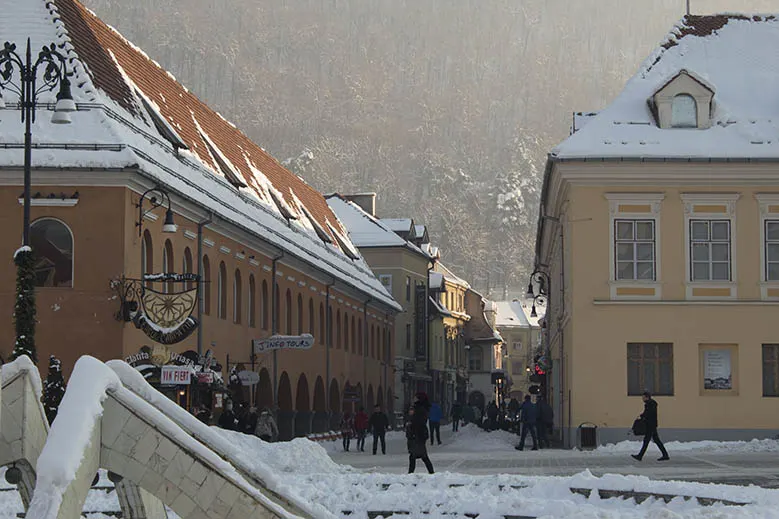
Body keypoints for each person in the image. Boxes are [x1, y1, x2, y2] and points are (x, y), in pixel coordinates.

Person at [632, 391, 670, 462]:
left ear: (647, 397)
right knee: (656, 440)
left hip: (650, 425)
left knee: (646, 441)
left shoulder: (650, 404)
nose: (642, 399)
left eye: (643, 397)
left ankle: (640, 456)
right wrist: (641, 415)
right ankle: (665, 455)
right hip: (652, 425)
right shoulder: (651, 403)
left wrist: (642, 416)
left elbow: (649, 413)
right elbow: (648, 413)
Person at [406, 402, 434, 474]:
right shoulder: (411, 419)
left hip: (417, 442)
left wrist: (417, 437)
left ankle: (411, 473)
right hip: (414, 442)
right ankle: (431, 472)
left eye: (412, 410)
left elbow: (420, 430)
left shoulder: (416, 420)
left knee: (420, 457)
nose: (410, 412)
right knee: (421, 457)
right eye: (410, 410)